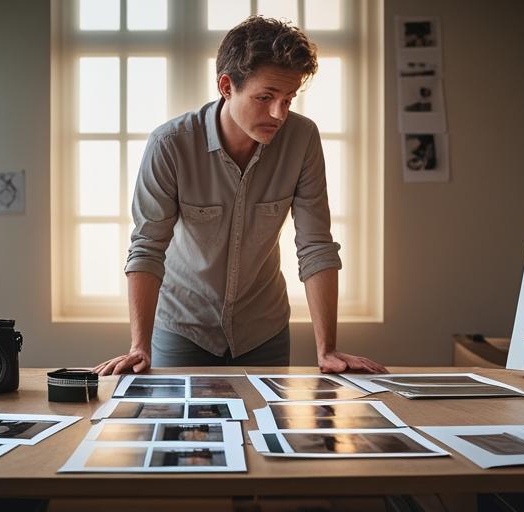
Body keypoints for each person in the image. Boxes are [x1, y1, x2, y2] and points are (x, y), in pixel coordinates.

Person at [93, 16, 387, 376]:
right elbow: (147, 247)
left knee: (265, 431)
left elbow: (316, 245)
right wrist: (139, 345)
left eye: (288, 98)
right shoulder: (170, 144)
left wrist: (327, 349)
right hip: (184, 330)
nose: (279, 113)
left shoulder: (303, 139)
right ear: (226, 86)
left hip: (264, 332)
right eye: (265, 97)